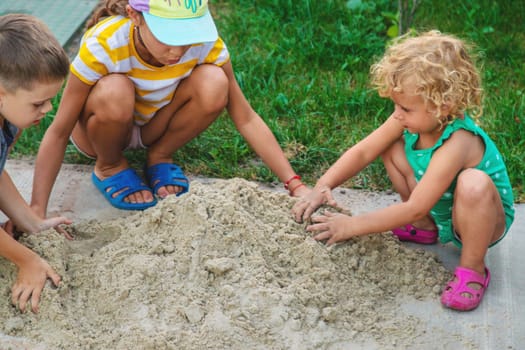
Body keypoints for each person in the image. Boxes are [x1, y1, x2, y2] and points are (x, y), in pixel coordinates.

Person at [292, 31, 515, 311]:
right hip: (437, 208)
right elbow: (364, 150)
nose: (397, 114)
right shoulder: (411, 118)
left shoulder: (459, 140)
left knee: (473, 183)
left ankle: (473, 269)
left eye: (405, 108)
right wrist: (324, 184)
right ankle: (426, 229)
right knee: (389, 144)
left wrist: (351, 226)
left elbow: (416, 207)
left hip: (479, 218)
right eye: (396, 105)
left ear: (442, 106)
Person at [30, 0, 308, 214]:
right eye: (169, 35)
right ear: (134, 16)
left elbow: (244, 116)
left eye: (187, 35)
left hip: (154, 124)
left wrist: (294, 184)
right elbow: (59, 131)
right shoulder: (105, 43)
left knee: (214, 81)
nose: (178, 49)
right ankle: (110, 165)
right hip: (99, 129)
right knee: (115, 90)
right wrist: (36, 211)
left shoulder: (199, 44)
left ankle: (160, 155)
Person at [0, 13, 72, 313]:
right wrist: (26, 260)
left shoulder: (10, 118)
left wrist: (32, 222)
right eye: (38, 103)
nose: (49, 108)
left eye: (51, 99)